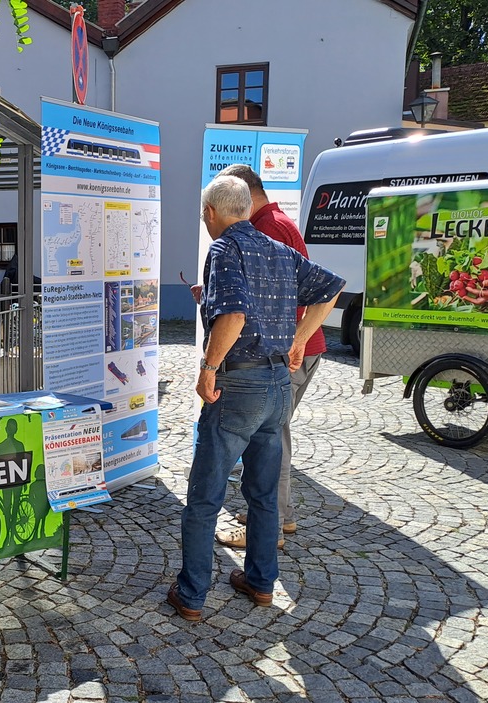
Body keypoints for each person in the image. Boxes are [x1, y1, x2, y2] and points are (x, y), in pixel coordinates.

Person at [168, 175, 343, 620]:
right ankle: (261, 583)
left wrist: (208, 369)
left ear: (211, 213)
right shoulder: (278, 248)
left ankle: (191, 595)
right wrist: (300, 340)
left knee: (205, 495)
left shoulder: (224, 248)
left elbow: (234, 314)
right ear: (246, 208)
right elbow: (331, 288)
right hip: (277, 385)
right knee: (264, 493)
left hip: (238, 385)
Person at [210, 163, 328, 548]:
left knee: (270, 439)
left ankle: (271, 525)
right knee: (271, 435)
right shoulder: (272, 222)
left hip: (282, 356)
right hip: (287, 351)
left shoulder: (269, 227)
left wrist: (298, 339)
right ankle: (275, 516)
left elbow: (315, 292)